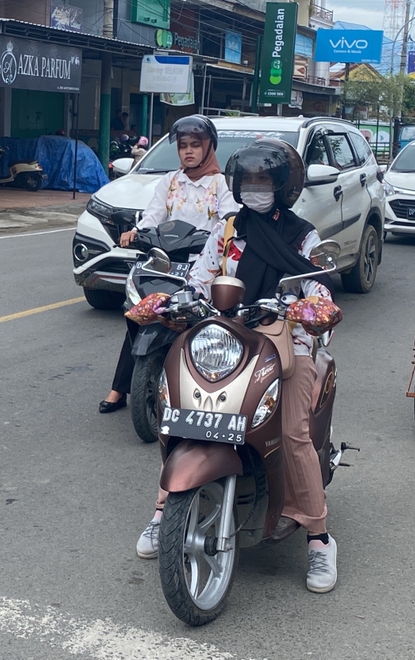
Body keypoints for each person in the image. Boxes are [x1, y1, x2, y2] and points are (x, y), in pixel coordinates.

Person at [139, 139, 341, 595]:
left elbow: (319, 290)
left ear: (284, 187)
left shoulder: (302, 235)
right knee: (183, 419)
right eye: (247, 181)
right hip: (224, 337)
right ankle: (162, 510)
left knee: (293, 434)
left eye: (264, 182)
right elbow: (200, 277)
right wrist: (178, 298)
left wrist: (308, 307)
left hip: (285, 339)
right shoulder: (227, 230)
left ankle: (318, 537)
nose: (255, 190)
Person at [101, 115, 235, 416]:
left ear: (209, 147)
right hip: (165, 262)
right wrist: (137, 232)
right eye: (183, 146)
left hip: (203, 266)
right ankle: (120, 387)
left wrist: (226, 235)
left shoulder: (220, 184)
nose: (188, 151)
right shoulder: (171, 181)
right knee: (141, 315)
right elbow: (152, 216)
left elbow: (229, 219)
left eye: (195, 145)